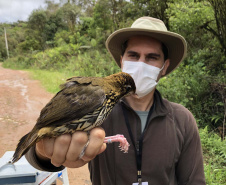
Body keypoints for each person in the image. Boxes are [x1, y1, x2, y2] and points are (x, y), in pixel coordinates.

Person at [26, 17, 206, 184]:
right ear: (122, 62)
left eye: (152, 57)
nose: (141, 65)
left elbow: (194, 181)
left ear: (164, 67)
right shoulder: (98, 104)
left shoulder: (182, 119)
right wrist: (43, 151)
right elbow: (37, 154)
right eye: (134, 56)